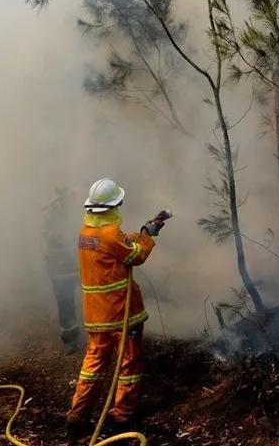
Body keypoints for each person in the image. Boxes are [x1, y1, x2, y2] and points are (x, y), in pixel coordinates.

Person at [65, 178, 167, 439]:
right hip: (122, 314)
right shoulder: (109, 234)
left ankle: (77, 417)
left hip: (97, 314)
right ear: (114, 205)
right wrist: (147, 237)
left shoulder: (86, 233)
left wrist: (142, 231)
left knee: (94, 364)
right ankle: (121, 418)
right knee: (129, 364)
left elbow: (118, 244)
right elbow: (136, 256)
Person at [42, 187, 82, 355]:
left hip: (77, 264)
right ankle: (70, 340)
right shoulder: (53, 213)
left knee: (95, 298)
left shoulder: (78, 209)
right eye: (73, 193)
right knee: (66, 302)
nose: (76, 195)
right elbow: (53, 237)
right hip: (62, 267)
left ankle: (103, 335)